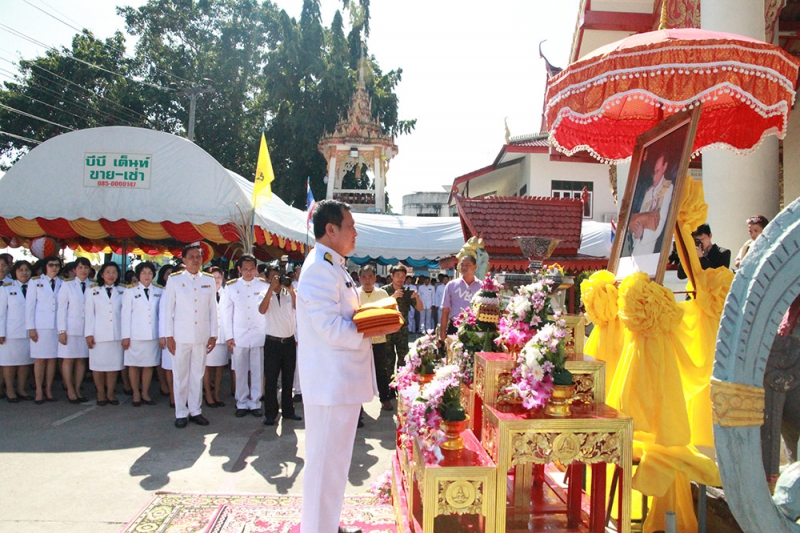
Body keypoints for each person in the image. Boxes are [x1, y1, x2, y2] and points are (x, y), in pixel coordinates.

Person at [296, 199, 378, 533]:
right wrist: (372, 328)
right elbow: (330, 328)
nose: (355, 233)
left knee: (335, 463)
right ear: (330, 229)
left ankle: (326, 525)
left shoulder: (334, 266)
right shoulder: (318, 268)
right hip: (330, 385)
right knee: (324, 464)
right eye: (350, 226)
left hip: (339, 383)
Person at [162, 243, 217, 428]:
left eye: (198, 256)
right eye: (191, 257)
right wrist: (168, 335)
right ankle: (181, 412)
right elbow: (167, 310)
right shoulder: (175, 280)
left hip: (201, 335)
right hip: (180, 336)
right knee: (180, 375)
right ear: (184, 260)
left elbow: (212, 310)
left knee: (197, 374)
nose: (195, 260)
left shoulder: (208, 280)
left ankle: (195, 410)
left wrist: (214, 334)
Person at [222, 255, 268, 418]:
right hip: (239, 334)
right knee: (240, 370)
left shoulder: (263, 285)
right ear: (239, 269)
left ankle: (255, 402)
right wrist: (229, 336)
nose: (248, 272)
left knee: (257, 369)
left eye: (251, 269)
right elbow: (226, 313)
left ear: (256, 268)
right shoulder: (232, 287)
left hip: (258, 334)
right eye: (245, 269)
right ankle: (241, 401)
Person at [260, 262, 302, 425]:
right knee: (271, 379)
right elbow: (262, 310)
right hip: (272, 342)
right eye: (273, 277)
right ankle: (270, 413)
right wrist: (271, 289)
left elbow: (298, 307)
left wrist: (291, 290)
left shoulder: (289, 293)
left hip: (289, 342)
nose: (277, 280)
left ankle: (288, 410)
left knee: (288, 379)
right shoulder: (264, 293)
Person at [121, 261, 162, 407]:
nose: (147, 276)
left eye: (150, 273)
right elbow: (125, 315)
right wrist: (125, 336)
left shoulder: (159, 291)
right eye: (143, 273)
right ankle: (135, 393)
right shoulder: (130, 291)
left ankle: (145, 392)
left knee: (148, 365)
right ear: (138, 275)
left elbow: (161, 315)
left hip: (152, 335)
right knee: (133, 365)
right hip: (135, 335)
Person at [85, 262, 126, 406]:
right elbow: (89, 314)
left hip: (117, 334)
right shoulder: (92, 290)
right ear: (101, 274)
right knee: (98, 366)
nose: (111, 275)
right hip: (98, 334)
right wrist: (88, 334)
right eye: (108, 272)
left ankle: (110, 393)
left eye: (114, 272)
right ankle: (100, 392)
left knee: (113, 366)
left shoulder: (123, 290)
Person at [25, 254, 63, 403]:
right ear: (45, 267)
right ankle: (39, 390)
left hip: (56, 327)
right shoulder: (35, 282)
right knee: (40, 359)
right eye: (51, 265)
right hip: (40, 326)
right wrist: (31, 328)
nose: (54, 268)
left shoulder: (63, 283)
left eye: (57, 265)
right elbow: (30, 306)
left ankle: (48, 389)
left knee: (52, 359)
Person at [57, 257, 92, 403]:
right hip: (70, 329)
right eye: (80, 268)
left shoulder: (93, 285)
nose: (83, 270)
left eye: (85, 267)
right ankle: (70, 389)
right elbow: (61, 309)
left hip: (86, 330)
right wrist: (61, 330)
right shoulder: (67, 285)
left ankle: (77, 388)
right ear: (74, 270)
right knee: (68, 359)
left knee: (81, 361)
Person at [358, 264, 393, 411]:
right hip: (359, 340)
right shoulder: (354, 294)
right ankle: (358, 404)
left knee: (381, 369)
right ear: (359, 278)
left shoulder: (382, 294)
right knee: (359, 371)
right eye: (364, 277)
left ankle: (384, 398)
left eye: (370, 276)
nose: (367, 280)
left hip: (379, 339)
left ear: (375, 278)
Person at [0, 260, 34, 402]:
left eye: (27, 270)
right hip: (11, 332)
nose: (24, 273)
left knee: (24, 362)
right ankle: (10, 389)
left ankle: (21, 388)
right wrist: (1, 332)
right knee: (9, 363)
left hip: (29, 332)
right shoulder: (7, 288)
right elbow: (1, 313)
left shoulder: (34, 287)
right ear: (15, 272)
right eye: (21, 270)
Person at [628, 154, 674, 256]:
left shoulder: (668, 188)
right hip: (637, 246)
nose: (654, 177)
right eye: (653, 172)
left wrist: (643, 234)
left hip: (651, 249)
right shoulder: (648, 191)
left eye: (657, 171)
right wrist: (636, 233)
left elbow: (661, 222)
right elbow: (639, 217)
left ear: (665, 167)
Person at [381, 264, 423, 373]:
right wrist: (393, 297)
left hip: (402, 329)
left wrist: (417, 297)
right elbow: (379, 307)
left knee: (403, 359)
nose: (400, 279)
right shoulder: (383, 291)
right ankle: (388, 386)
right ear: (392, 276)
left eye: (403, 276)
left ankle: (401, 383)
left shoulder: (408, 291)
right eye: (397, 275)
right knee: (387, 359)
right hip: (388, 329)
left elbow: (420, 308)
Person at [439, 255, 481, 345]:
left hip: (476, 328)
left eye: (468, 265)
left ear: (475, 267)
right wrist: (442, 333)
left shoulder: (482, 286)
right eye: (462, 265)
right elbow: (445, 310)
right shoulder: (451, 285)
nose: (464, 267)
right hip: (455, 326)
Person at [204, 265, 229, 409]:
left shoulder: (227, 293)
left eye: (219, 277)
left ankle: (217, 393)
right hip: (208, 336)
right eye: (213, 278)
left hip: (223, 336)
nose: (216, 281)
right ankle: (208, 394)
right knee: (207, 367)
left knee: (220, 367)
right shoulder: (204, 293)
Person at [156, 264, 176, 404]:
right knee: (170, 366)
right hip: (170, 334)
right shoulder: (166, 292)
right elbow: (162, 315)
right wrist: (163, 336)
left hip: (185, 334)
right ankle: (173, 395)